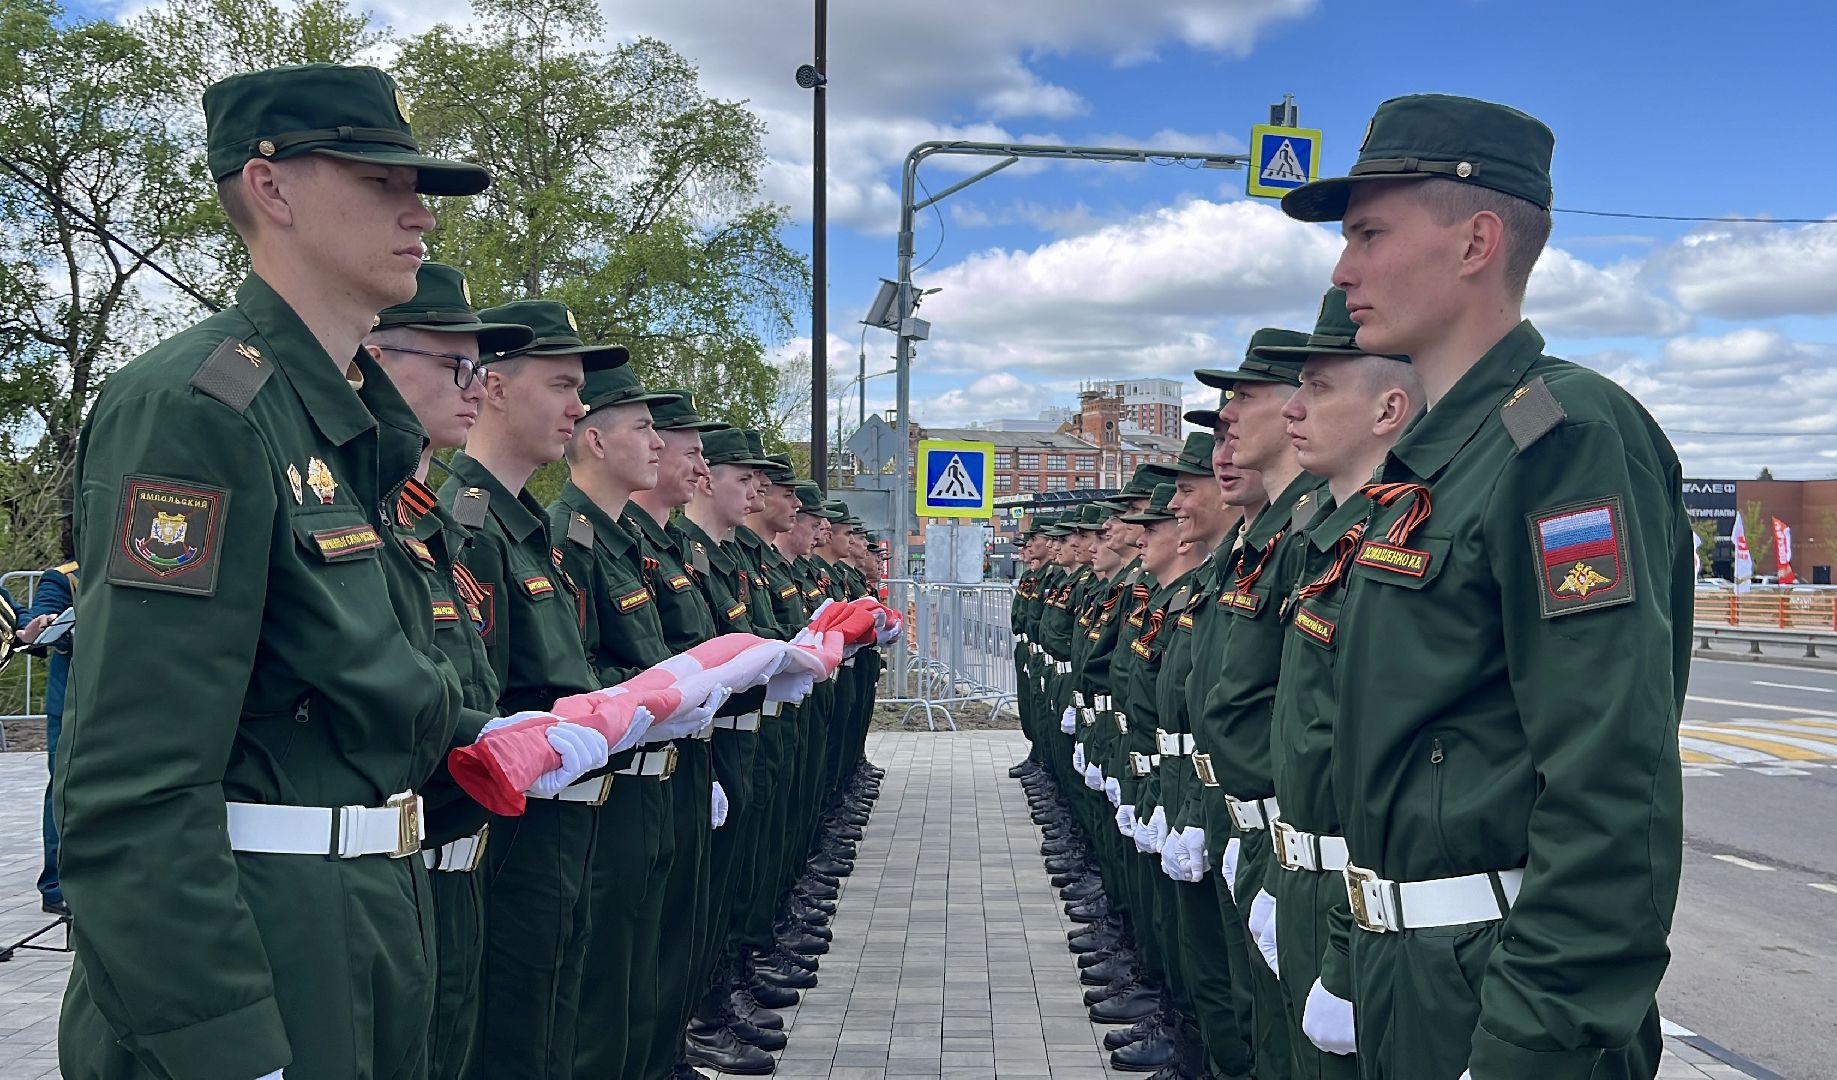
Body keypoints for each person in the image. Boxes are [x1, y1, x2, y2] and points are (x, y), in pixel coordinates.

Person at [56, 63, 494, 1080]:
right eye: (381, 182)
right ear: (271, 187)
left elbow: (347, 689)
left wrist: (495, 739)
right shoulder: (199, 408)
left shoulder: (342, 425)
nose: (421, 214)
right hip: (263, 939)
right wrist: (222, 1041)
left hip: (372, 918)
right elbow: (131, 773)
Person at [1282, 94, 1689, 1079]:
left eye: (1369, 235)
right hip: (1402, 971)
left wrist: (1533, 1042)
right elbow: (1382, 750)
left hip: (1492, 985)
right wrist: (1347, 948)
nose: (1342, 272)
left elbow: (1608, 770)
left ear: (1474, 242)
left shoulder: (1560, 436)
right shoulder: (1429, 468)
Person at [440, 297, 620, 1080]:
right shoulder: (466, 525)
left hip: (558, 816)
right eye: (561, 385)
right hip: (508, 829)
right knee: (510, 1027)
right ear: (494, 387)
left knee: (552, 1011)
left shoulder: (531, 531)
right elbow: (480, 698)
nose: (578, 409)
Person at [362, 261, 533, 1080]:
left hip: (457, 849)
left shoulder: (431, 522)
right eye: (455, 366)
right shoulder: (369, 513)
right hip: (389, 860)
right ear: (373, 359)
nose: (476, 389)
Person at [1257, 287, 1422, 1078]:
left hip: (1367, 904)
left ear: (1389, 409)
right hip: (1308, 876)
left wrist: (1343, 946)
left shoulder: (1401, 536)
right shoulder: (1331, 539)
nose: (1292, 409)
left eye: (1317, 387)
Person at [1186, 328, 1322, 1080]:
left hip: (1292, 835)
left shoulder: (1309, 534)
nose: (1228, 421)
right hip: (1249, 818)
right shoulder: (1264, 541)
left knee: (1281, 1032)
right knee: (1254, 1012)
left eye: (1244, 397)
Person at [545, 364, 684, 1079]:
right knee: (600, 985)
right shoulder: (568, 539)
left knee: (639, 962)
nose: (658, 444)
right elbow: (571, 673)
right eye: (644, 427)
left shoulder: (624, 542)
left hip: (649, 775)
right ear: (596, 442)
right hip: (602, 789)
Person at [16, 546, 78, 918]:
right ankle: (56, 885)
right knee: (64, 789)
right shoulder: (65, 577)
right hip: (72, 701)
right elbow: (37, 617)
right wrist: (42, 624)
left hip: (126, 701)